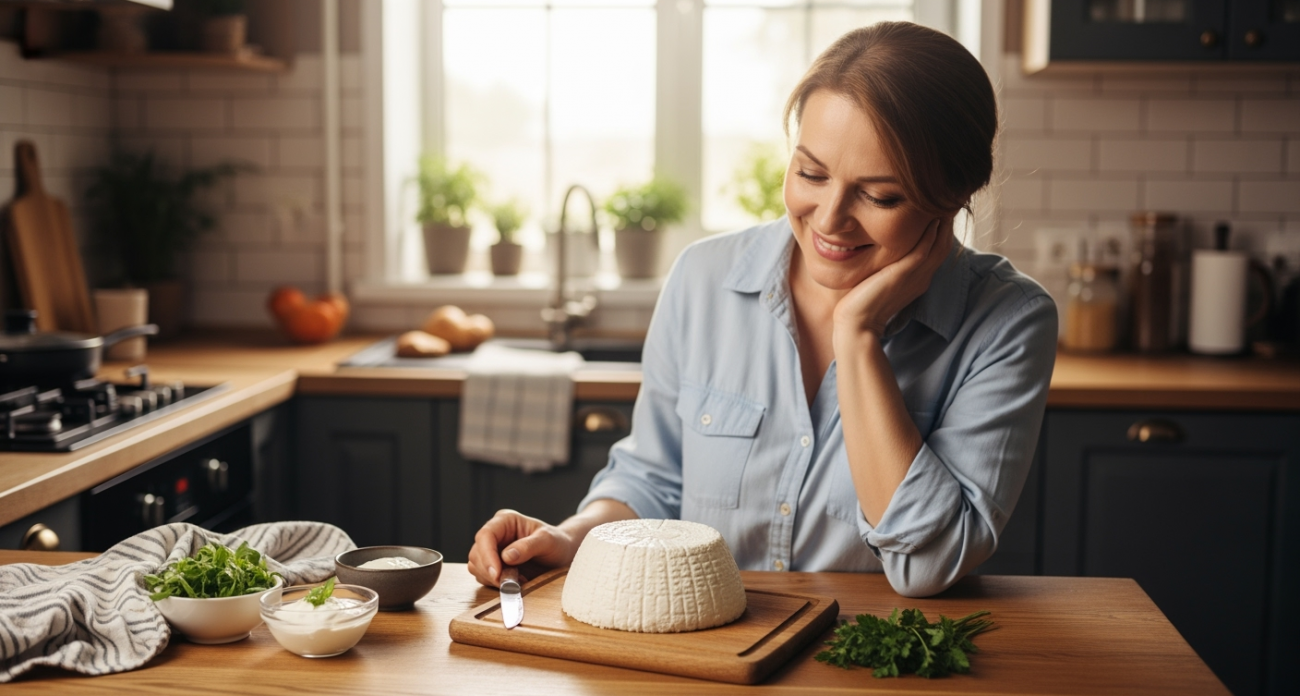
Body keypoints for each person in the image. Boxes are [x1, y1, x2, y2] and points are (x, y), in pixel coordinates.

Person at [467, 21, 1057, 598]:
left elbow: (928, 565)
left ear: (954, 197)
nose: (829, 219)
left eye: (880, 195)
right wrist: (570, 538)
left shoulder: (1007, 322)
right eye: (810, 173)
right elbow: (653, 482)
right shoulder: (704, 278)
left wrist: (858, 337)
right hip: (708, 653)